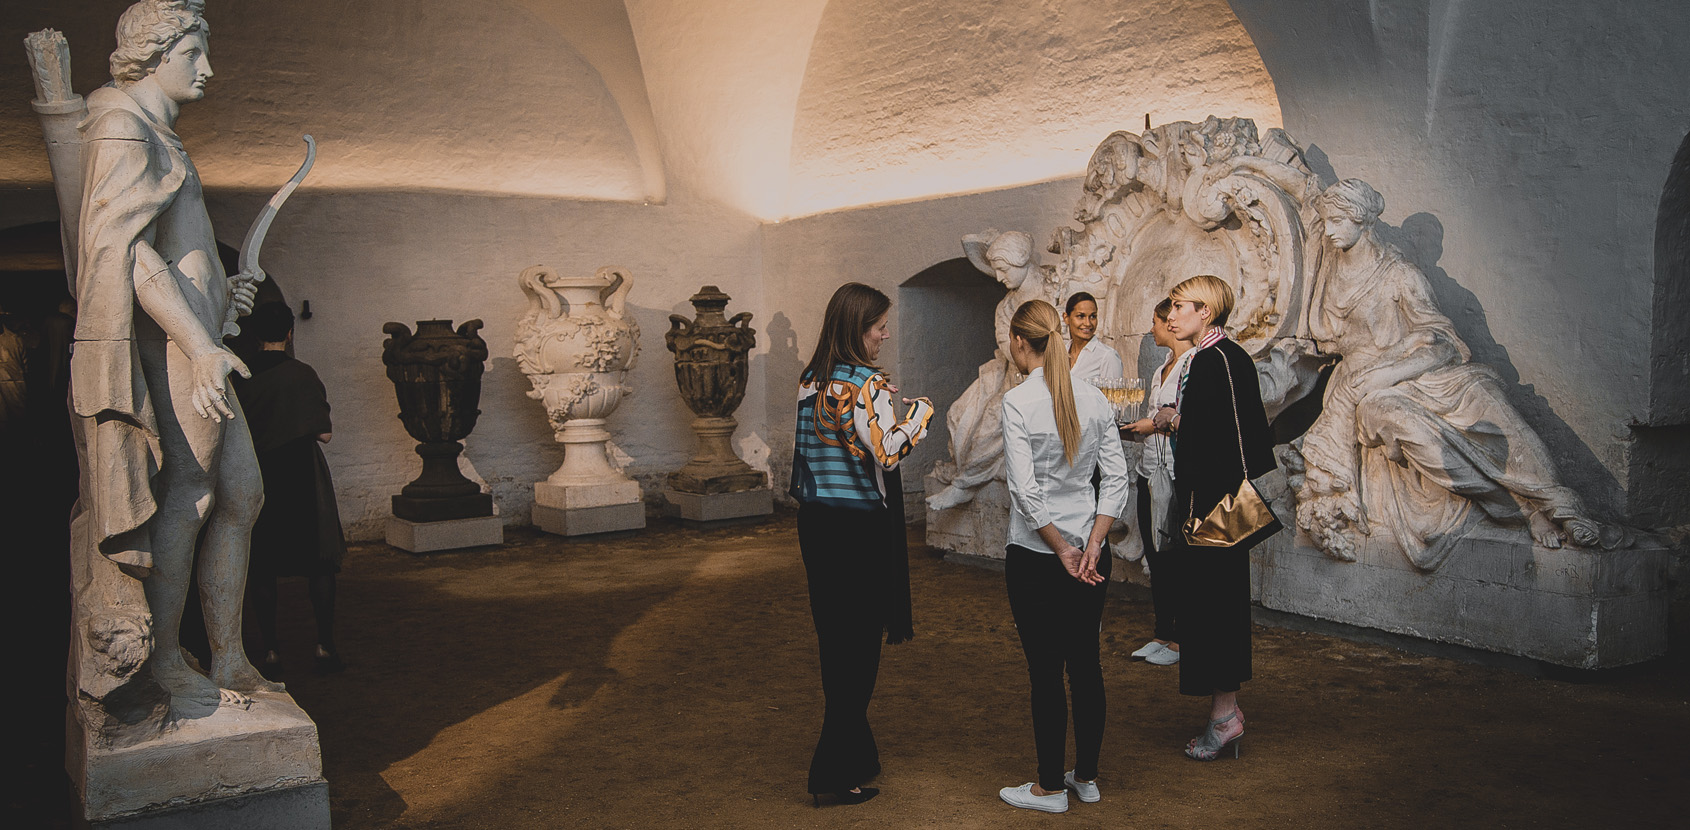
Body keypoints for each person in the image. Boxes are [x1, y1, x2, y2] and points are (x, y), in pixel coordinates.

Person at [71, 0, 272, 711]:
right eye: (195, 53)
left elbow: (176, 255)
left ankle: (228, 655)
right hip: (176, 347)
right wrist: (197, 339)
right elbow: (128, 256)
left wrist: (222, 303)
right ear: (154, 53)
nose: (208, 68)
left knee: (242, 494)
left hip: (201, 339)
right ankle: (163, 660)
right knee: (189, 499)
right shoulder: (123, 125)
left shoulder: (156, 130)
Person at [1295, 178, 1617, 566]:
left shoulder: (1399, 274)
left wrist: (1394, 369)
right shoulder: (1328, 271)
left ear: (1363, 221)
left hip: (1413, 374)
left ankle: (1560, 504)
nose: (1329, 230)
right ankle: (1519, 510)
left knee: (1487, 400)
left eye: (1338, 220)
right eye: (1327, 220)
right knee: (1411, 430)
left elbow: (1443, 340)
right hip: (1363, 393)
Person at [790, 283, 934, 805]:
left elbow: (815, 452)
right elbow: (889, 454)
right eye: (878, 327)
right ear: (858, 328)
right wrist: (919, 413)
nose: (884, 334)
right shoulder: (867, 383)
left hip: (817, 526)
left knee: (837, 643)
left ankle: (859, 752)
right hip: (859, 531)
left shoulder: (811, 379)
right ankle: (831, 775)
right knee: (859, 653)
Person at [997, 300, 1130, 813]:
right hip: (1092, 556)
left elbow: (1024, 490)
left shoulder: (1018, 401)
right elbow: (1115, 479)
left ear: (1018, 342)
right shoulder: (1095, 397)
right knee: (1086, 664)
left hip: (1037, 554)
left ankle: (1050, 786)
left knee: (1045, 670)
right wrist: (1093, 544)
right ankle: (1087, 777)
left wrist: (1062, 549)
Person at [1152, 275, 1279, 761]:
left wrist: (1171, 422)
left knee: (1215, 614)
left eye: (1181, 305)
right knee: (1211, 611)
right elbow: (1224, 428)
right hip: (1210, 507)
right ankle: (1223, 714)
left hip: (1213, 513)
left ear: (1206, 311)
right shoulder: (1221, 357)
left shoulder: (1214, 359)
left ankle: (1225, 717)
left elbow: (1229, 440)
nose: (1172, 315)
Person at [232, 302, 347, 677]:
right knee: (319, 562)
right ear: (289, 333)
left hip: (258, 475)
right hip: (301, 476)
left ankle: (269, 652)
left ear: (254, 336)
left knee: (262, 565)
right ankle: (325, 645)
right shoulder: (301, 374)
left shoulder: (240, 377)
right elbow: (325, 434)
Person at [925, 230, 1053, 510]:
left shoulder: (1054, 287)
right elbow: (1006, 342)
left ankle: (964, 483)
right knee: (959, 414)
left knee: (995, 418)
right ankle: (970, 475)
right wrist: (1024, 358)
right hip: (1014, 376)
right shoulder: (1006, 306)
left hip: (1048, 379)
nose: (998, 278)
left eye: (1003, 269)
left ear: (1020, 261)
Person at [1121, 298, 1194, 666]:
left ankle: (1181, 641)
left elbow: (1177, 418)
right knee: (1156, 556)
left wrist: (1154, 424)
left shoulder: (1192, 364)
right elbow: (1156, 418)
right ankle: (1163, 633)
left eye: (1155, 322)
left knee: (1177, 559)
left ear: (1170, 322)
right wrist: (1138, 430)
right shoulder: (1161, 368)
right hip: (1151, 470)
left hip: (1177, 474)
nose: (1151, 329)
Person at [1063, 292, 1123, 385]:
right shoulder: (1061, 352)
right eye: (1081, 316)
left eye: (1092, 316)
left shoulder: (1107, 356)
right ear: (1066, 318)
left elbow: (1113, 398)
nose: (1088, 323)